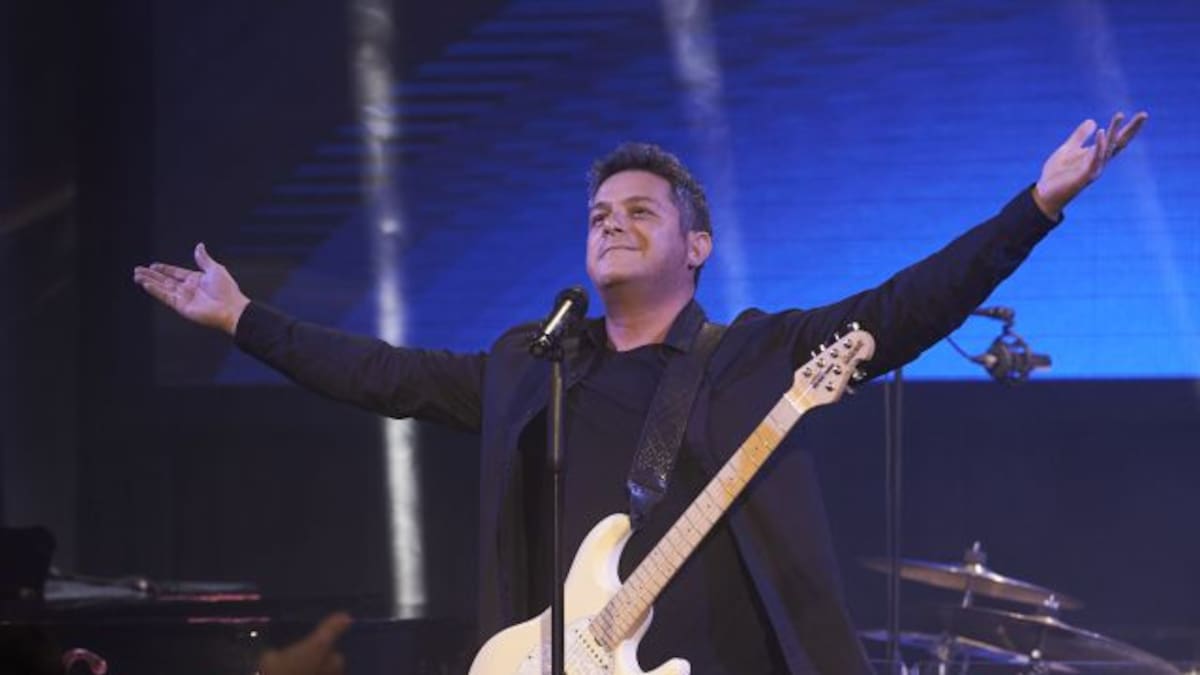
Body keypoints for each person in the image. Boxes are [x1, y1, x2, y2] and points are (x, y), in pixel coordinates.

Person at [133, 112, 1147, 674]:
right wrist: (245, 320)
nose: (611, 222)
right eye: (599, 213)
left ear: (697, 245)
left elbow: (909, 304)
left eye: (640, 212)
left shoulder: (757, 354)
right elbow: (382, 375)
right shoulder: (535, 365)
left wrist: (1036, 207)